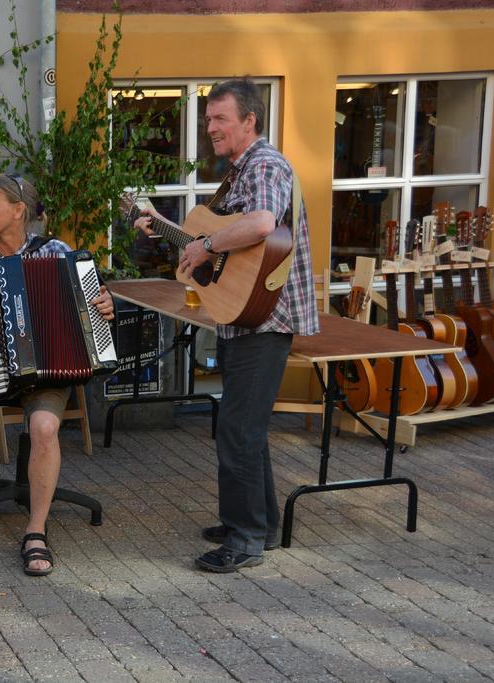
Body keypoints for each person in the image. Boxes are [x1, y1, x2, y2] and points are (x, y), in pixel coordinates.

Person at [135, 78, 319, 573]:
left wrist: (208, 246)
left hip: (266, 319)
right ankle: (263, 525)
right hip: (246, 316)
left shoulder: (264, 165)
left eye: (220, 118)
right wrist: (169, 227)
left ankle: (245, 538)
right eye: (209, 118)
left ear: (249, 120)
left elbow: (260, 225)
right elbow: (217, 236)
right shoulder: (239, 173)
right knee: (246, 430)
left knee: (237, 430)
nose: (210, 127)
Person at [0, 174, 115, 577]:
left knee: (44, 427)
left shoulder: (58, 253)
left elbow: (94, 307)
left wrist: (104, 306)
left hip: (48, 373)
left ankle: (35, 531)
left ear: (18, 210)